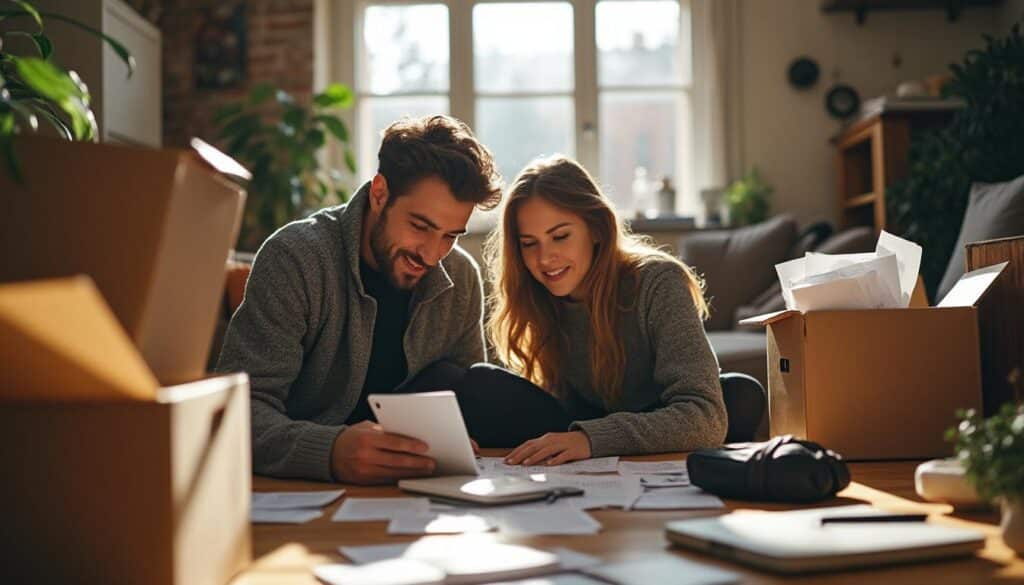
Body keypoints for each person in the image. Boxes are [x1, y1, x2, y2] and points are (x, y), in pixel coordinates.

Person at [217, 115, 502, 485]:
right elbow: (239, 410)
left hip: (418, 492)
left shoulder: (460, 277)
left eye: (450, 235)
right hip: (301, 490)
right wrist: (330, 451)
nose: (433, 255)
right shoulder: (295, 258)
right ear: (380, 194)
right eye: (420, 226)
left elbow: (465, 400)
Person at [483, 155, 728, 465]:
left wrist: (590, 439)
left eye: (560, 236)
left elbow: (705, 417)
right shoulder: (535, 295)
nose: (544, 258)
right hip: (583, 423)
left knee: (742, 395)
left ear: (597, 229)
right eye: (529, 243)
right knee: (483, 383)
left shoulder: (658, 282)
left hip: (655, 420)